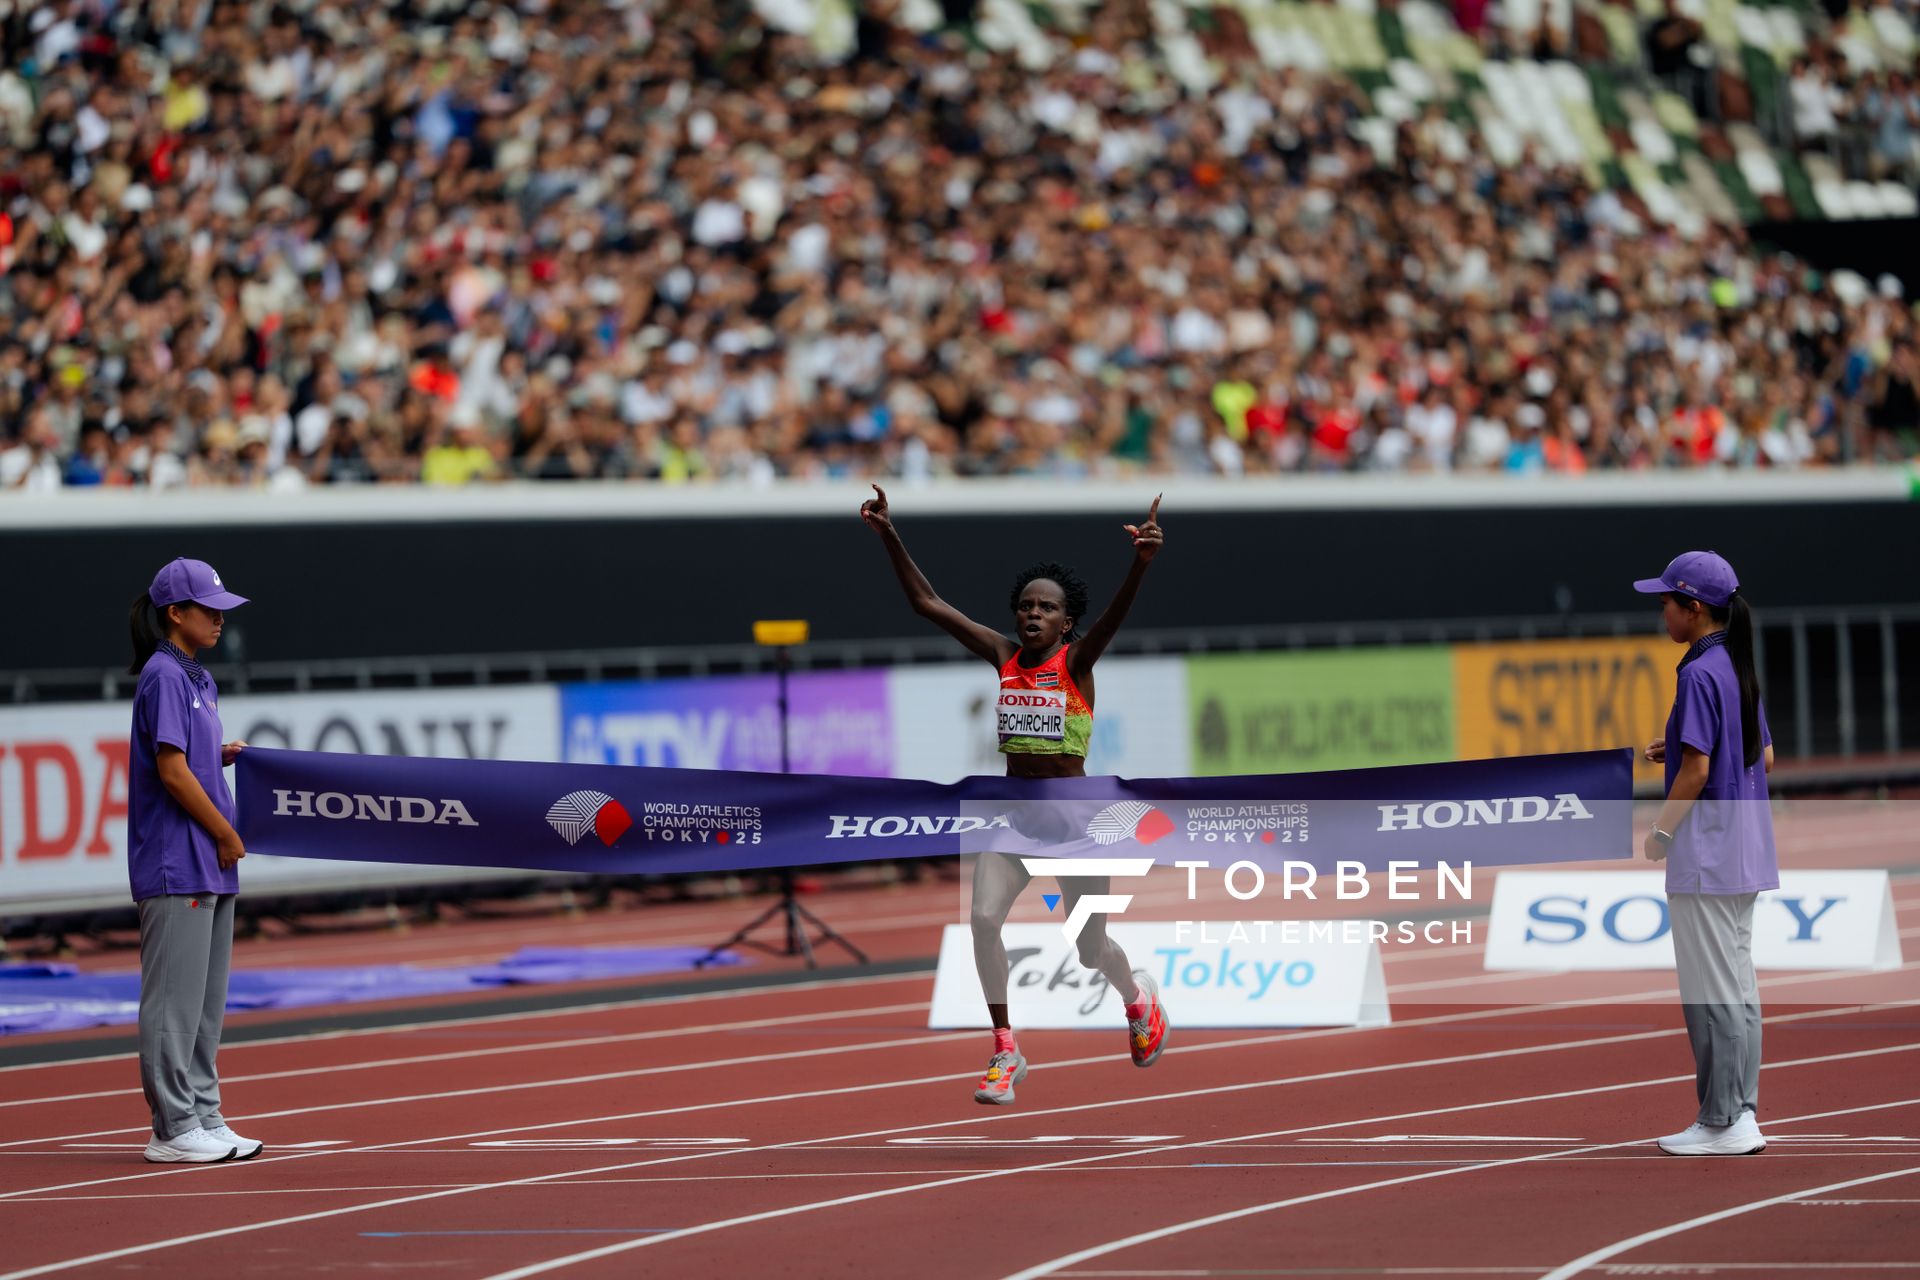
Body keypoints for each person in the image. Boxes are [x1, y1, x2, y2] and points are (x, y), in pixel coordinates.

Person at [860, 485, 1171, 1105]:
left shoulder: (1078, 661)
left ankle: (1138, 1001)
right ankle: (1006, 1048)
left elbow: (1114, 616)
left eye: (1046, 609)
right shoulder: (1002, 655)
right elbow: (927, 603)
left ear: (1065, 622)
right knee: (980, 919)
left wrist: (1140, 564)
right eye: (1025, 606)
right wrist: (889, 532)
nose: (1032, 615)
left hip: (1077, 824)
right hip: (1012, 818)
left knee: (1089, 949)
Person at [1634, 550, 1776, 1157]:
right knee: (1738, 985)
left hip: (1706, 854)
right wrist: (1685, 745)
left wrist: (1660, 835)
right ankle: (1738, 1110)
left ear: (1693, 608)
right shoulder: (1735, 664)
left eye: (1666, 602)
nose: (1661, 612)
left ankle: (1722, 1121)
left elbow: (1696, 772)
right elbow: (1762, 757)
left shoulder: (1695, 673)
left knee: (1710, 989)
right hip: (1746, 849)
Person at [126, 558, 264, 1163]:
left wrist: (222, 755)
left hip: (209, 858)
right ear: (175, 614)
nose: (219, 619)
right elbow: (172, 772)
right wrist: (226, 834)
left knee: (206, 1000)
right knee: (174, 1000)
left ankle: (203, 1113)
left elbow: (192, 760)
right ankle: (172, 1126)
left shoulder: (198, 678)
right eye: (209, 610)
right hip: (177, 859)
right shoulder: (163, 675)